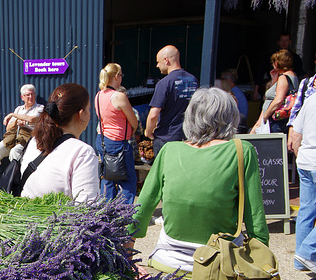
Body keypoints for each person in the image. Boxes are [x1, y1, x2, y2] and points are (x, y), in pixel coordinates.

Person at [128, 87, 268, 277]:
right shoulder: (242, 151)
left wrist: (127, 258)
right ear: (230, 118)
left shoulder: (169, 150)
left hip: (168, 262)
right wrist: (261, 261)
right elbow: (255, 218)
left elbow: (142, 208)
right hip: (220, 265)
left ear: (190, 117)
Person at [18, 83, 99, 202]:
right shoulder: (83, 152)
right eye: (89, 109)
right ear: (81, 114)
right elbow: (87, 208)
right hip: (55, 220)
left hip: (23, 217)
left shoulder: (34, 140)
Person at [0, 84, 43, 191]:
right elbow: (8, 128)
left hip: (28, 141)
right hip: (13, 138)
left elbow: (32, 119)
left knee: (14, 153)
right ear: (22, 97)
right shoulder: (19, 109)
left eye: (32, 94)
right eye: (27, 95)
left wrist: (12, 115)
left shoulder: (40, 108)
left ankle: (14, 183)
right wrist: (16, 122)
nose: (30, 97)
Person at [95, 63, 139, 204]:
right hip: (118, 142)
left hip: (102, 139)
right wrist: (131, 131)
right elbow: (133, 121)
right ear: (116, 76)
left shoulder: (98, 95)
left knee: (108, 176)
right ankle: (123, 213)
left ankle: (106, 210)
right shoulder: (119, 96)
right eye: (121, 75)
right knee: (127, 179)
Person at [144, 45, 199, 156]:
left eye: (158, 62)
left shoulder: (164, 83)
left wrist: (148, 132)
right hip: (188, 136)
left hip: (167, 138)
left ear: (166, 60)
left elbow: (154, 114)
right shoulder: (193, 80)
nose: (157, 65)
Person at [289, 93, 316, 272]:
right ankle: (307, 252)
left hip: (306, 160)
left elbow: (295, 134)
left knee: (306, 210)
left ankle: (301, 260)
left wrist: (301, 157)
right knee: (307, 210)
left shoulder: (312, 98)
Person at [250, 49, 298, 135]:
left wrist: (265, 116)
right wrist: (274, 80)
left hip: (275, 121)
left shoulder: (284, 77)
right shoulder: (292, 76)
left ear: (276, 63)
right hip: (281, 120)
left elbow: (278, 100)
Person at [254, 33, 305, 101]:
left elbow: (300, 74)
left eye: (286, 40)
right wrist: (256, 90)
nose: (284, 43)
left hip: (288, 90)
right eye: (282, 40)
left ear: (290, 42)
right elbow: (260, 73)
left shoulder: (295, 58)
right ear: (278, 42)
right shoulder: (271, 57)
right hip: (271, 85)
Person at [220, 69, 248, 133]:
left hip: (236, 125)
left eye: (222, 79)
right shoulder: (237, 91)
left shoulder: (235, 93)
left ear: (228, 80)